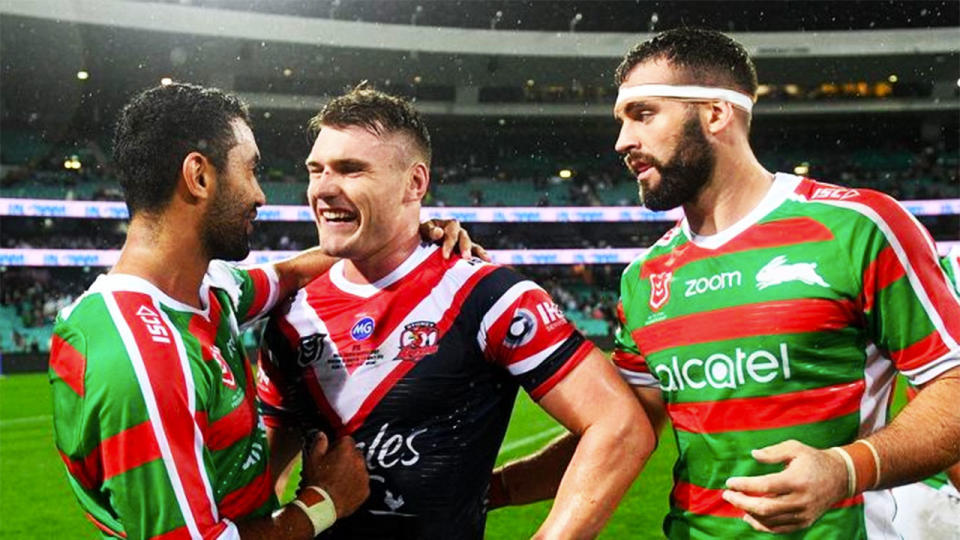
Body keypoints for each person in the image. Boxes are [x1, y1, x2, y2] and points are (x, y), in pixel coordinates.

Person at [491, 28, 960, 538]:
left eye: (643, 114)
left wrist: (846, 469)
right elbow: (623, 434)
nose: (622, 141)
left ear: (716, 114)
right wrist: (491, 489)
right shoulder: (644, 277)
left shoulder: (858, 227)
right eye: (622, 121)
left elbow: (952, 384)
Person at [48, 83, 473, 540]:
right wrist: (322, 503)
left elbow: (290, 273)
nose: (260, 194)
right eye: (250, 170)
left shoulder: (209, 290)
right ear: (200, 177)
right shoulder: (141, 361)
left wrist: (403, 233)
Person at [255, 85, 655, 539]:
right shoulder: (291, 315)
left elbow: (620, 427)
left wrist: (513, 501)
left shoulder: (488, 295)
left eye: (351, 170)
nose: (323, 188)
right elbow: (260, 480)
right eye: (315, 170)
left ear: (415, 183)